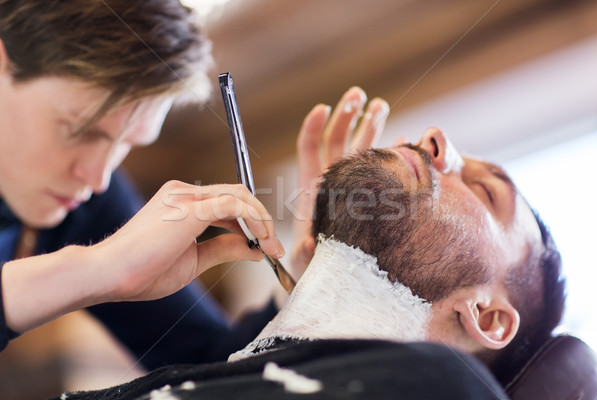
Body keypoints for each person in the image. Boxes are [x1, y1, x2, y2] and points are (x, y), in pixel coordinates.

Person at [51, 92, 566, 400]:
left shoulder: (443, 385)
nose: (435, 138)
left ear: (488, 316)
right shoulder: (234, 368)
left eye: (486, 190)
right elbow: (213, 357)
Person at [0, 0, 295, 370]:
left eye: (127, 143)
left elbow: (209, 362)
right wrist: (95, 269)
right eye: (79, 130)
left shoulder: (88, 202)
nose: (97, 178)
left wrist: (310, 272)